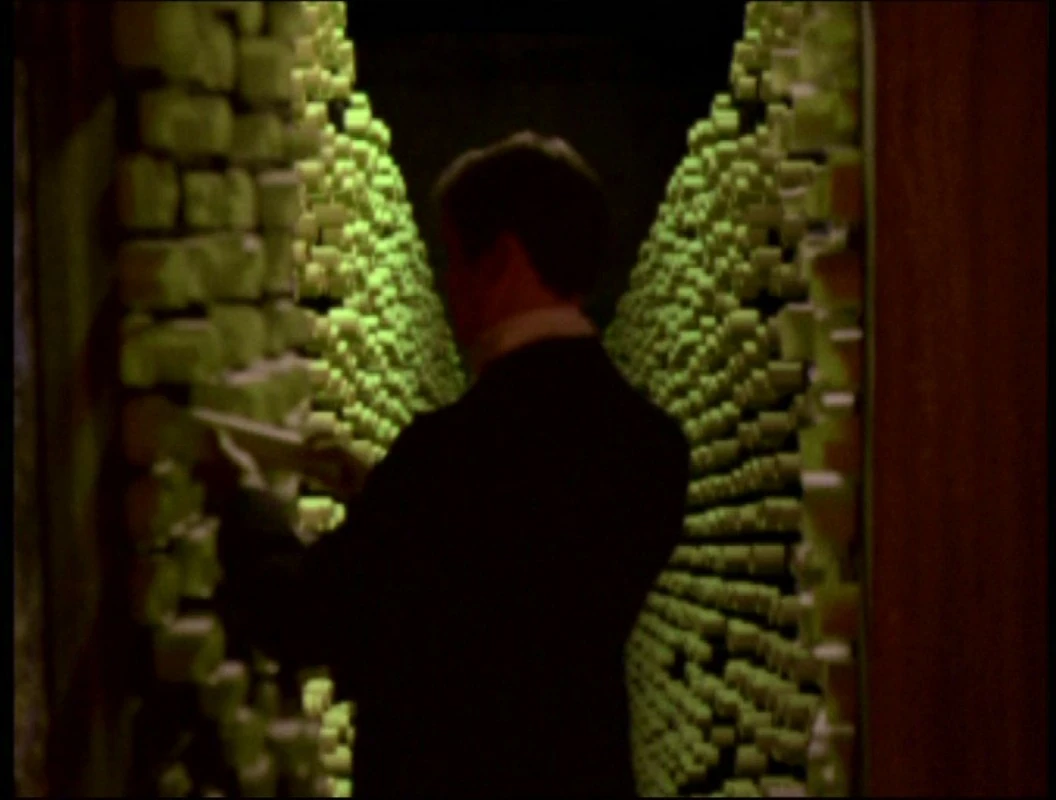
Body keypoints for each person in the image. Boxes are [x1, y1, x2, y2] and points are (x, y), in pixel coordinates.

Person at [206, 131, 690, 797]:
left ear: (505, 260)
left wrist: (244, 498)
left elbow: (308, 615)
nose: (450, 284)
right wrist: (383, 495)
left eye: (457, 258)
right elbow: (508, 567)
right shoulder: (652, 448)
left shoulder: (449, 455)